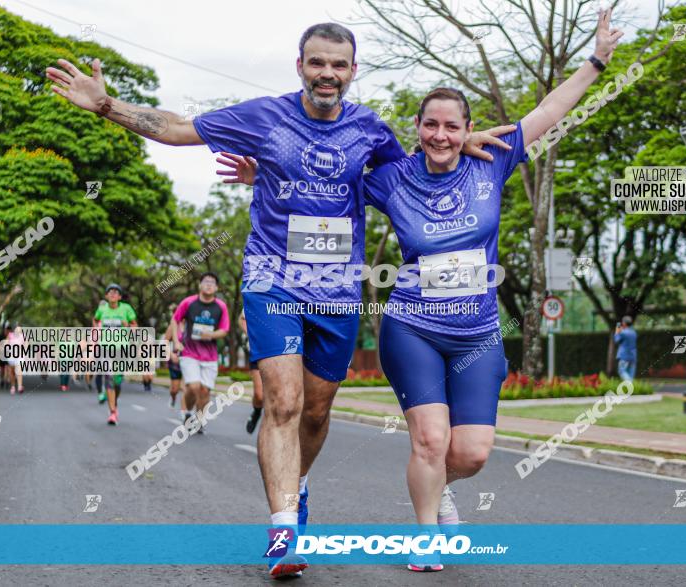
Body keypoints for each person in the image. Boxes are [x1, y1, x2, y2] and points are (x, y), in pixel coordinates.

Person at [47, 21, 507, 580]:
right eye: (318, 63)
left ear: (352, 71)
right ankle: (284, 525)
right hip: (272, 279)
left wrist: (465, 144)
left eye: (339, 65)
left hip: (338, 288)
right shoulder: (264, 116)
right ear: (300, 66)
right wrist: (106, 106)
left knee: (315, 411)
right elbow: (175, 128)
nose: (328, 74)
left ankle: (299, 485)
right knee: (284, 402)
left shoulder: (370, 129)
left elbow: (414, 175)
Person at [220, 9, 623, 573]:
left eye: (452, 126)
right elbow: (322, 176)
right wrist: (265, 175)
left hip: (478, 332)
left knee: (470, 453)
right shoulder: (391, 178)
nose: (440, 135)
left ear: (466, 130)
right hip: (413, 325)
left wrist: (598, 61)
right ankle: (426, 533)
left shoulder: (494, 163)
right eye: (430, 125)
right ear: (416, 128)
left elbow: (551, 110)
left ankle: (443, 488)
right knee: (430, 442)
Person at [169, 273, 230, 434]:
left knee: (205, 391)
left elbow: (224, 330)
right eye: (206, 282)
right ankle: (187, 412)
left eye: (212, 282)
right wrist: (176, 341)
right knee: (193, 386)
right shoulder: (188, 302)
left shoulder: (221, 306)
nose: (209, 285)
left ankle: (199, 418)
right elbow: (175, 320)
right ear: (200, 285)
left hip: (210, 356)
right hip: (189, 352)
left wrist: (210, 335)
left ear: (216, 288)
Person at [93, 284, 138, 425]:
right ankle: (112, 412)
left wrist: (128, 327)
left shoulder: (126, 309)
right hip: (105, 347)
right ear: (106, 296)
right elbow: (95, 319)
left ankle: (115, 403)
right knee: (109, 377)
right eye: (110, 292)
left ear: (119, 296)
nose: (112, 294)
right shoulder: (101, 309)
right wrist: (96, 331)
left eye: (116, 292)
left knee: (117, 381)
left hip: (121, 349)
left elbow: (135, 326)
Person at [238, 309, 264, 434]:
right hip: (258, 350)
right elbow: (242, 318)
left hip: (283, 352)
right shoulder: (259, 291)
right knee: (259, 396)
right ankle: (257, 412)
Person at [163, 307, 184, 408]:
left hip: (190, 359)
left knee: (186, 387)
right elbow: (165, 342)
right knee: (175, 389)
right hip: (175, 360)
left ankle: (186, 412)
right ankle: (173, 396)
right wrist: (171, 355)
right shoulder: (173, 326)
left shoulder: (192, 325)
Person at [614, 315, 637, 382]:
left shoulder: (623, 333)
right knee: (631, 374)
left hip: (624, 357)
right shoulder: (634, 332)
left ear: (624, 323)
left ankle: (629, 382)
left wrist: (617, 329)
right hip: (633, 356)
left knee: (622, 371)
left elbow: (616, 340)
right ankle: (630, 389)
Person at [6, 325, 25, 394]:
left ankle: (20, 386)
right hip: (11, 356)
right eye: (17, 329)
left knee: (19, 371)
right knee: (12, 372)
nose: (18, 331)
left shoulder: (23, 336)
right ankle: (13, 386)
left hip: (20, 356)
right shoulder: (10, 335)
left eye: (20, 330)